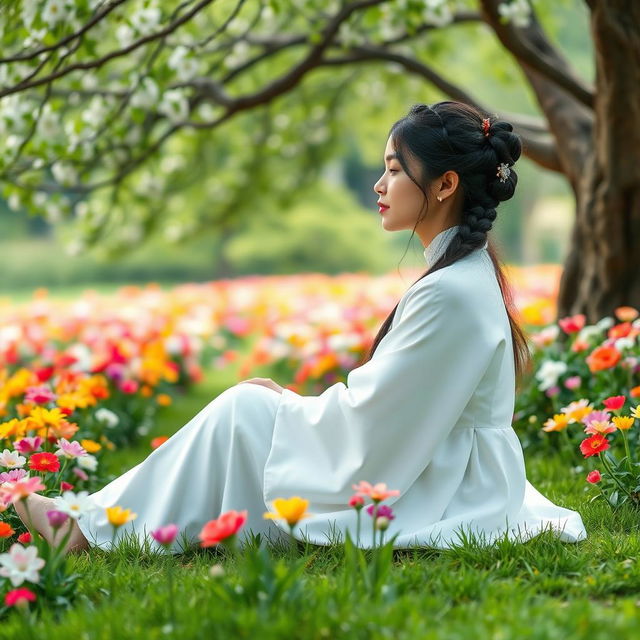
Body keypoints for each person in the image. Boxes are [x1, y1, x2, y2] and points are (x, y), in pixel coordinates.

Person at [14, 100, 587, 554]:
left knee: (245, 410)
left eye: (394, 170)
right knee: (254, 409)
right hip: (449, 470)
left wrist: (287, 407)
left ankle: (88, 528)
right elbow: (391, 407)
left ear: (444, 186)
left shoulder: (451, 291)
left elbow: (378, 430)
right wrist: (291, 405)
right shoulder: (461, 275)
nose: (379, 186)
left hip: (448, 491)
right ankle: (93, 519)